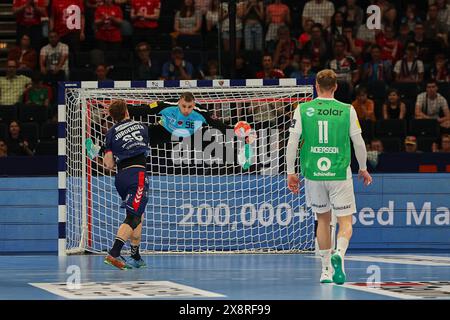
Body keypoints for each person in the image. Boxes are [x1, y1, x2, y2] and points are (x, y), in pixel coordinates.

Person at [286, 69, 372, 285]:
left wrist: (290, 172)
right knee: (345, 222)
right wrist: (362, 167)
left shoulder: (303, 109)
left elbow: (292, 143)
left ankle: (325, 271)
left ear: (316, 86)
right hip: (339, 172)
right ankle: (339, 254)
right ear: (335, 87)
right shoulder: (347, 109)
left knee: (322, 220)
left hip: (314, 172)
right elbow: (359, 143)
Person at [102, 100, 149, 269]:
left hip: (121, 178)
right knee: (134, 217)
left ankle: (135, 255)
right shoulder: (141, 126)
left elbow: (108, 164)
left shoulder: (110, 133)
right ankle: (114, 253)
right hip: (138, 175)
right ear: (127, 111)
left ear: (113, 117)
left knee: (138, 215)